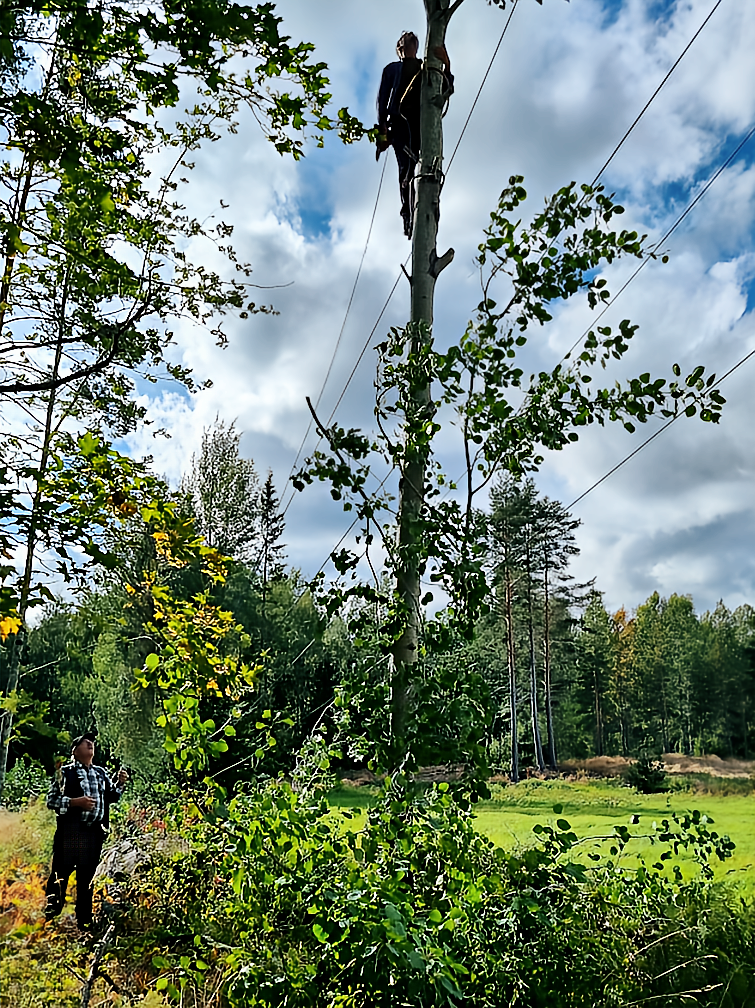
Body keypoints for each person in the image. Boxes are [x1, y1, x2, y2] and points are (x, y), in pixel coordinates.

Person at [44, 731, 128, 931]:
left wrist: (121, 783)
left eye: (92, 742)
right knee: (61, 874)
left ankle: (84, 922)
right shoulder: (65, 772)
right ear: (75, 750)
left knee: (87, 878)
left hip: (93, 834)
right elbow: (51, 801)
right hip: (71, 832)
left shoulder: (100, 772)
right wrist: (75, 802)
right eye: (85, 742)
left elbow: (112, 796)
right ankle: (51, 918)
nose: (90, 744)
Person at [376, 31, 453, 238]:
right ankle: (409, 217)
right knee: (407, 171)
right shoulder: (393, 69)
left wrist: (447, 64)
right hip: (400, 125)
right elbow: (382, 98)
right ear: (399, 48)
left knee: (429, 168)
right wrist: (382, 130)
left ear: (415, 47)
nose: (404, 46)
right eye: (402, 43)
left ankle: (428, 212)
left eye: (408, 43)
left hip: (424, 124)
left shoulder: (426, 66)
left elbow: (447, 87)